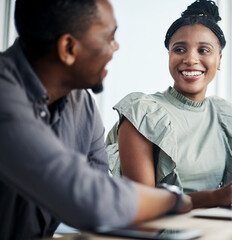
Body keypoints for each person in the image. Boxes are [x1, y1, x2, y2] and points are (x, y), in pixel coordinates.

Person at [0, 0, 193, 239]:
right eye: (108, 38)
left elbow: (104, 201)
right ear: (68, 48)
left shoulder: (82, 104)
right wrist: (173, 199)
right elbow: (90, 199)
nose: (115, 47)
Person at [106, 0, 232, 210]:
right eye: (180, 49)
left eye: (204, 50)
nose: (191, 59)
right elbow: (142, 206)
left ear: (219, 60)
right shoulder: (143, 113)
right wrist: (215, 197)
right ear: (169, 56)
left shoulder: (223, 115)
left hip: (217, 228)